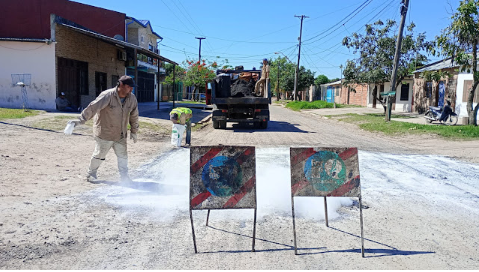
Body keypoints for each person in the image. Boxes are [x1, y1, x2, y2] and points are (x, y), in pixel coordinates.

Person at [68, 75, 139, 183]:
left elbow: (134, 115)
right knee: (99, 155)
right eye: (129, 87)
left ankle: (124, 177)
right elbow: (93, 108)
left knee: (123, 156)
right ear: (121, 85)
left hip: (120, 134)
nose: (131, 89)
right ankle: (91, 174)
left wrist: (134, 131)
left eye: (132, 87)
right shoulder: (108, 95)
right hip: (105, 133)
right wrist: (80, 120)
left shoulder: (132, 98)